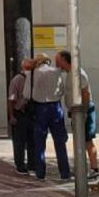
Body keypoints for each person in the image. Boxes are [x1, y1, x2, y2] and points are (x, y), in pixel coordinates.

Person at [56, 50, 99, 181]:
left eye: (58, 61)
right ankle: (82, 169)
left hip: (83, 111)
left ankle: (94, 169)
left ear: (64, 60)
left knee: (87, 140)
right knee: (80, 141)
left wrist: (84, 112)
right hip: (76, 112)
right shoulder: (69, 74)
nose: (57, 64)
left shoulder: (78, 74)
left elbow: (85, 93)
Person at [29, 53, 70, 181]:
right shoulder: (56, 71)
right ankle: (65, 172)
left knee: (40, 142)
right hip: (55, 107)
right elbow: (62, 90)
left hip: (40, 108)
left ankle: (40, 172)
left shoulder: (34, 73)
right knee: (60, 141)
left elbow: (28, 93)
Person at [7, 58, 37, 175]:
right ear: (23, 68)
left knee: (31, 140)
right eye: (29, 68)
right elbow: (11, 99)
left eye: (32, 68)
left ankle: (32, 164)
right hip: (21, 112)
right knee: (20, 141)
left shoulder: (35, 79)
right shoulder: (17, 79)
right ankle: (20, 164)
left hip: (31, 113)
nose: (30, 70)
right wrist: (12, 116)